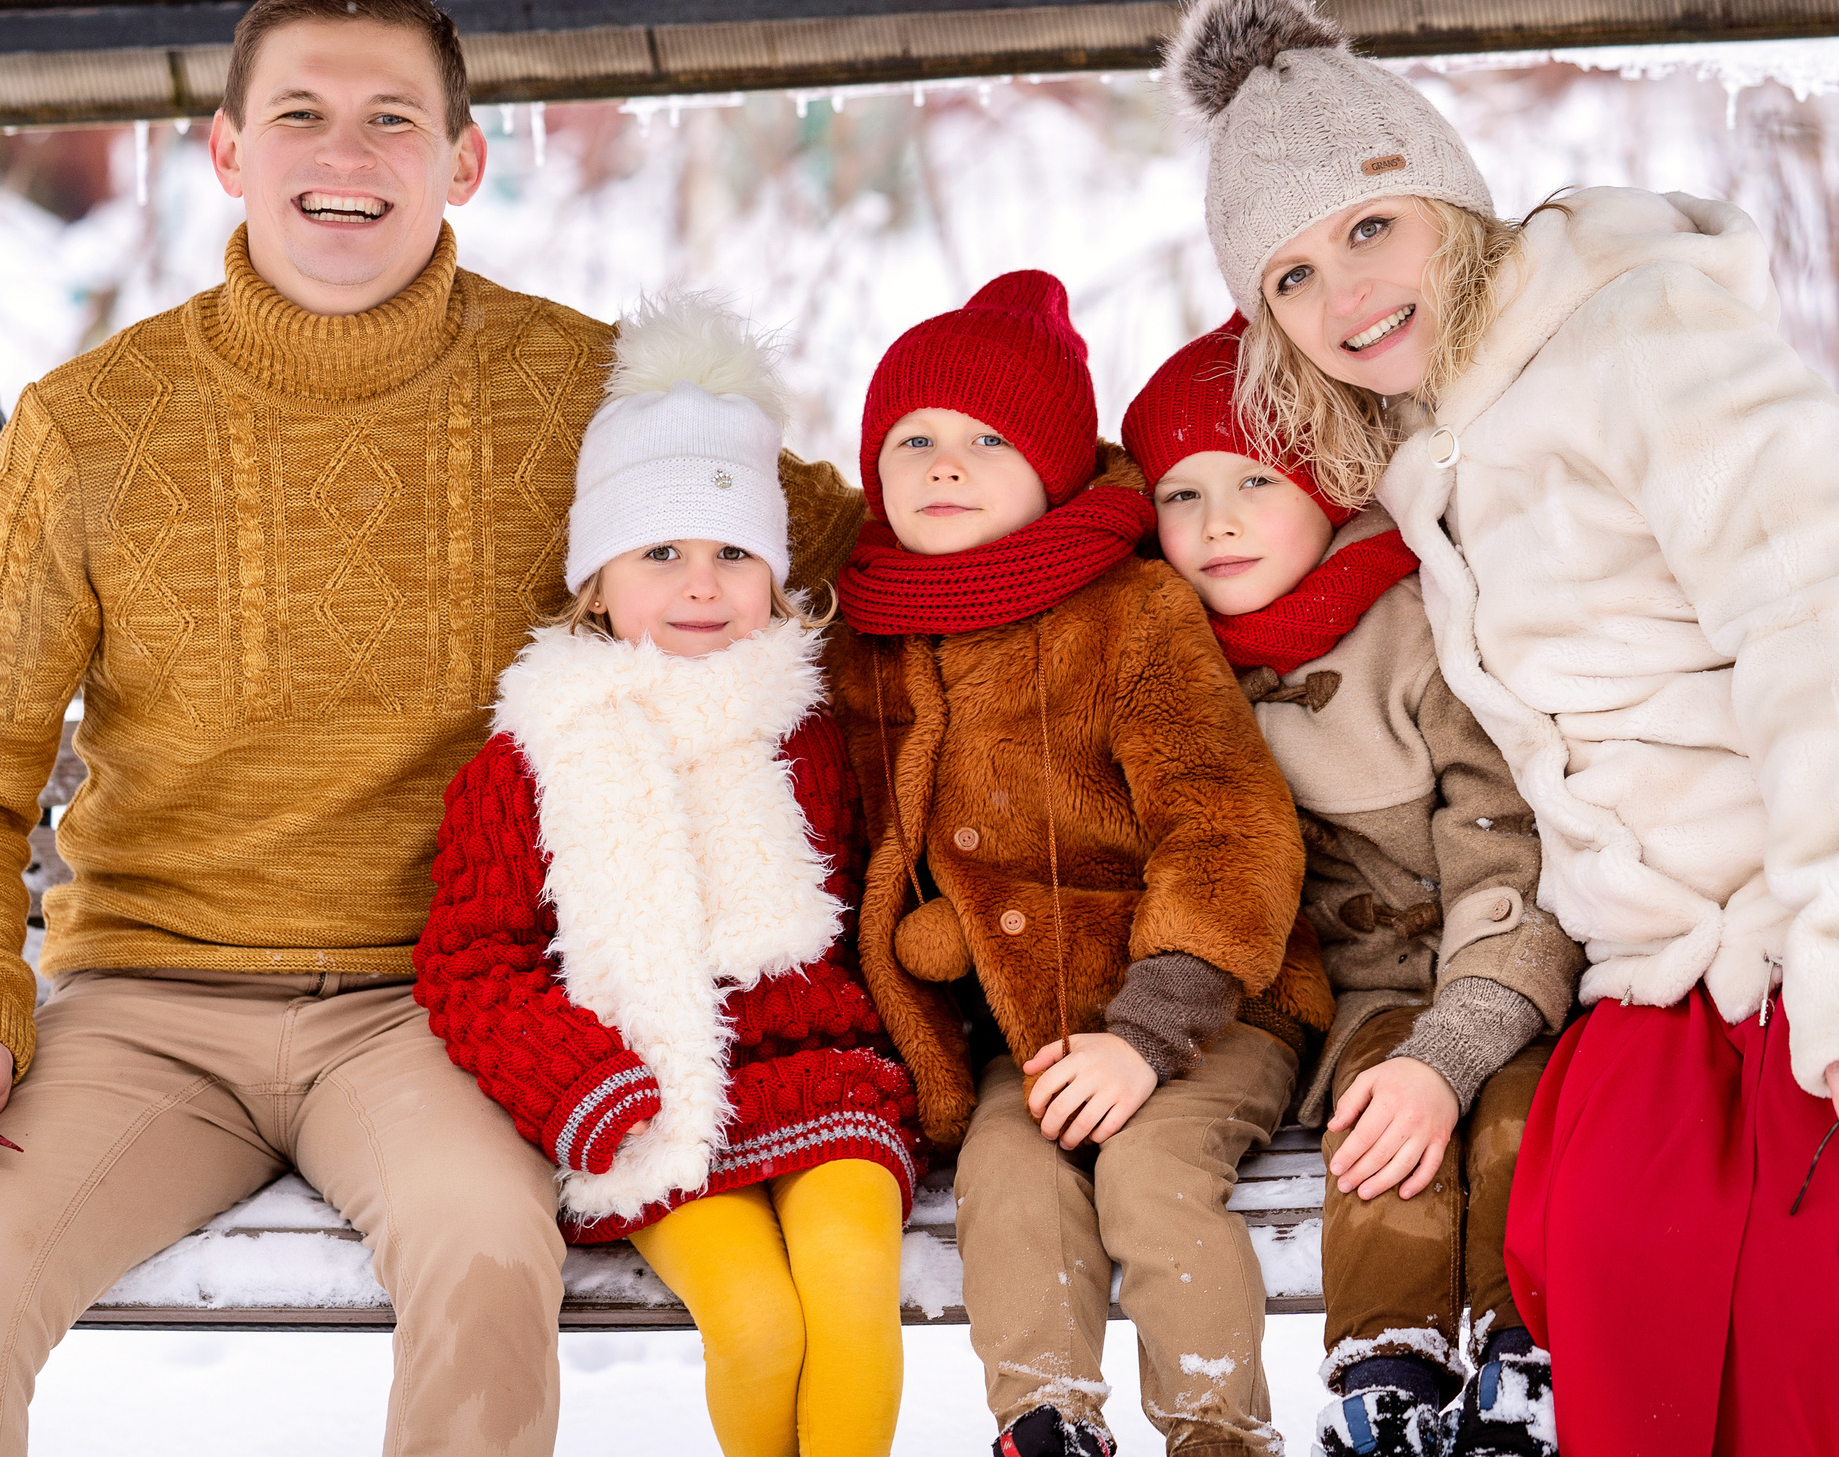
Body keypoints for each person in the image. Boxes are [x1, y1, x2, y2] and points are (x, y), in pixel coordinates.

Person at [1162, 0, 1839, 1456]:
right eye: (1291, 276)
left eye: (1370, 226)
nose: (1346, 295)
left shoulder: (1645, 334)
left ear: (1451, 203)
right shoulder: (1441, 446)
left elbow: (1826, 618)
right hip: (1696, 954)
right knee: (1599, 1233)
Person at [0, 0, 861, 1457]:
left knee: (488, 1256)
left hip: (439, 1003)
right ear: (227, 150)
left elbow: (870, 539)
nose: (346, 156)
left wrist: (1117, 503)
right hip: (148, 1002)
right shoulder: (87, 428)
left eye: (392, 118)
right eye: (302, 115)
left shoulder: (587, 391)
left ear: (462, 157)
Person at [824, 271, 1332, 1457]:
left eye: (988, 441)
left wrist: (1148, 1033)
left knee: (1150, 1173)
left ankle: (1216, 1427)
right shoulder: (869, 634)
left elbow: (1228, 824)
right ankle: (1045, 1422)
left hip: (1208, 1008)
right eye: (915, 439)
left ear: (1053, 467)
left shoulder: (1130, 611)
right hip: (1030, 1030)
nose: (945, 466)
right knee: (1007, 1173)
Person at [414, 294, 922, 1457]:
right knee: (754, 1325)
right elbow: (468, 961)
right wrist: (580, 1086)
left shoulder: (809, 731)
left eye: (734, 554)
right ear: (597, 582)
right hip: (652, 1093)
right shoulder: (531, 757)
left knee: (848, 1293)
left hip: (822, 1069)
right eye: (661, 554)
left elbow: (887, 894)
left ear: (779, 580)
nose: (702, 587)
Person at [1123, 320, 1583, 1457]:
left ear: (1327, 486)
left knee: (1518, 1114)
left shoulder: (1418, 625)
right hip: (1363, 1000)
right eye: (1179, 494)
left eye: (1252, 480)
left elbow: (1502, 834)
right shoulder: (1166, 652)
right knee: (1382, 1129)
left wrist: (1464, 1031)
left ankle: (1525, 1362)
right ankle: (1385, 1375)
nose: (1216, 520)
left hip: (1508, 965)